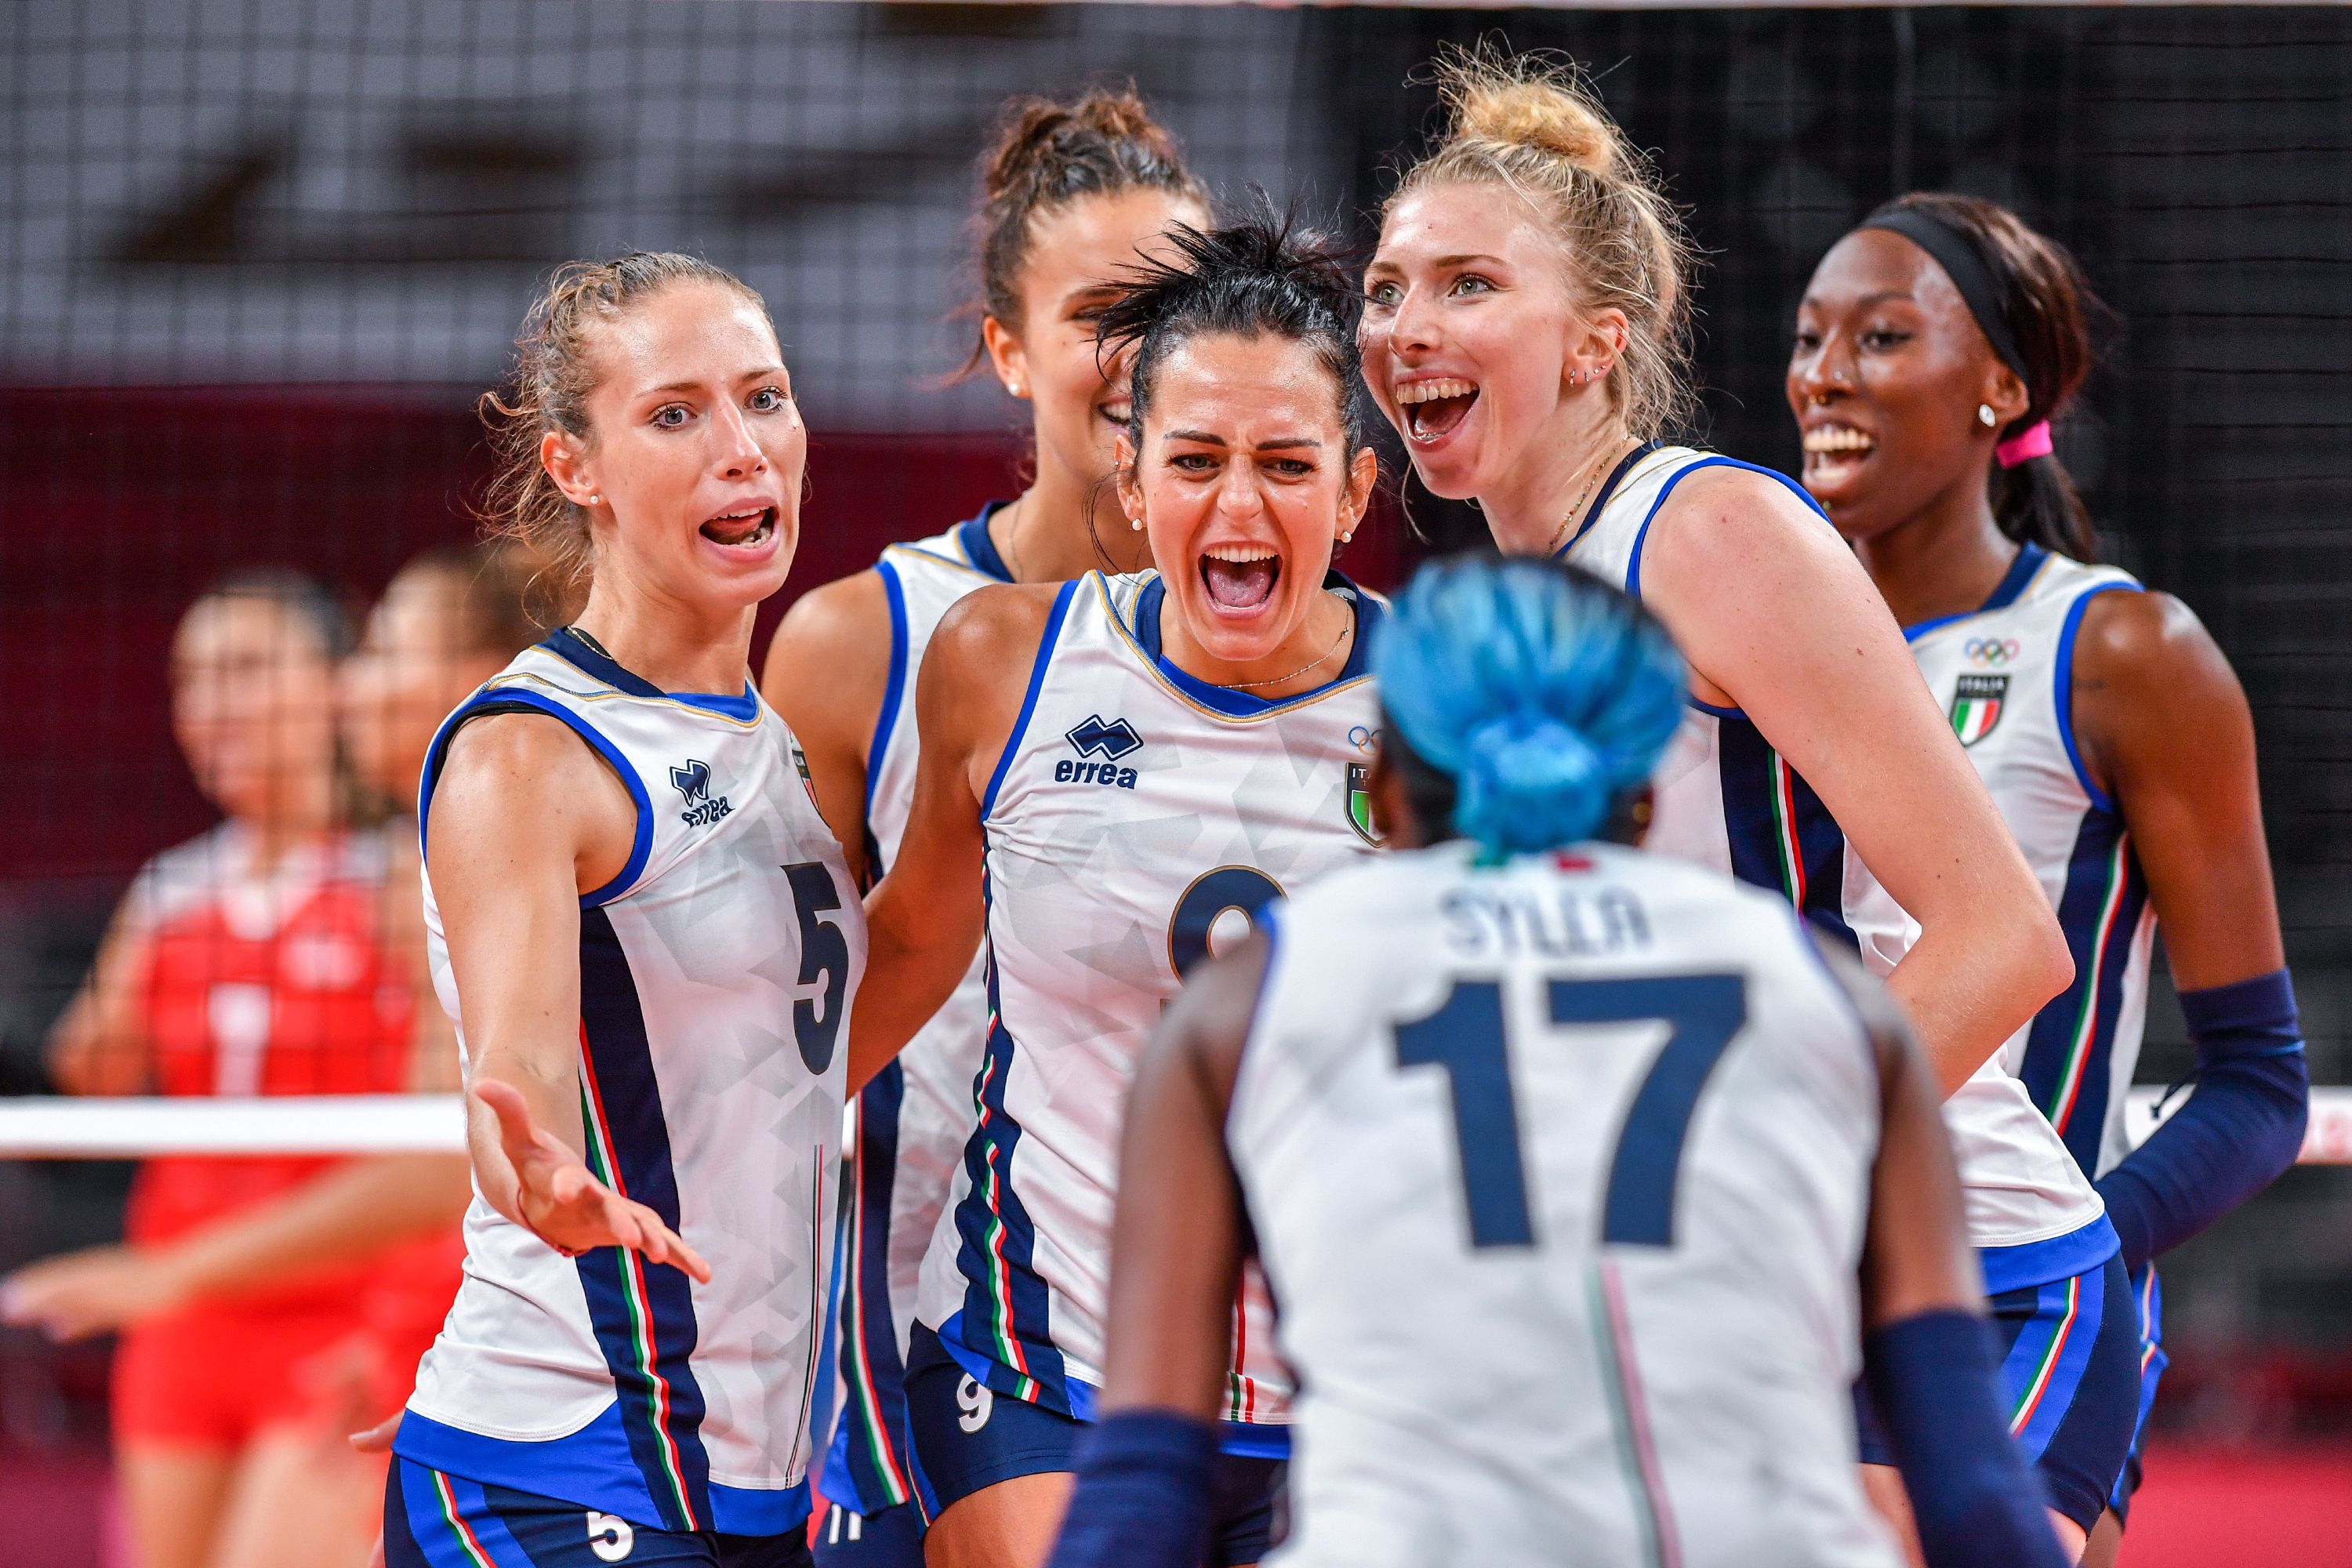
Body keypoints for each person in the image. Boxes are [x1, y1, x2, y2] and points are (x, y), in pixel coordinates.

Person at [1357, 53, 2125, 1560]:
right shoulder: (1506, 602)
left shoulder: (1710, 534)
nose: (1405, 328)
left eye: (1464, 286)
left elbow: (2003, 940)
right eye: (1386, 289)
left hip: (1965, 1265)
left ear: (1598, 341)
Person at [1044, 554, 2074, 1568]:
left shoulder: (1247, 1001)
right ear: (1638, 798)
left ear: (1386, 784)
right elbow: (1974, 1491)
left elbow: (1144, 1487)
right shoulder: (1833, 998)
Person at [843, 209, 1383, 1568]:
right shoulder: (1002, 662)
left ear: (1356, 493)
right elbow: (905, 949)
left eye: (1286, 465)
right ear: (1133, 479)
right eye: (1196, 461)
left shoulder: (1446, 705)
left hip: (1357, 1379)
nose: (1239, 505)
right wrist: (684, 1167)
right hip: (1049, 1357)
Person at [1787, 193, 2309, 1563]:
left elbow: (2260, 1082)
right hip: (1783, 1277)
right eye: (1809, 337)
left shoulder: (2120, 648)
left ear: (1999, 388)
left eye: (1882, 336)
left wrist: (2093, 1246)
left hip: (2011, 1296)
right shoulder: (1747, 646)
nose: (1823, 375)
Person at [758, 87, 1209, 1564]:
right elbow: (771, 1041)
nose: (1146, 352)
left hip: (1257, 1333)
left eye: (1183, 305)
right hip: (941, 1331)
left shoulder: (1315, 641)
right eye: (1100, 313)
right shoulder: (864, 641)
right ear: (1008, 351)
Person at [382, 252, 861, 1568]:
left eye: (764, 399)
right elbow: (519, 1080)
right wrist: (540, 1177)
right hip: (559, 1464)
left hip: (758, 1478)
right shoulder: (530, 754)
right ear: (574, 467)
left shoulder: (789, 739)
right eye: (674, 414)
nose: (741, 449)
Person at [4, 569, 416, 1568]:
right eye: (192, 680)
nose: (210, 706)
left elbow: (444, 1156)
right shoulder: (169, 889)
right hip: (180, 1326)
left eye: (244, 670)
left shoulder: (405, 877)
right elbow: (88, 1083)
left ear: (336, 687)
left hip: (336, 1316)